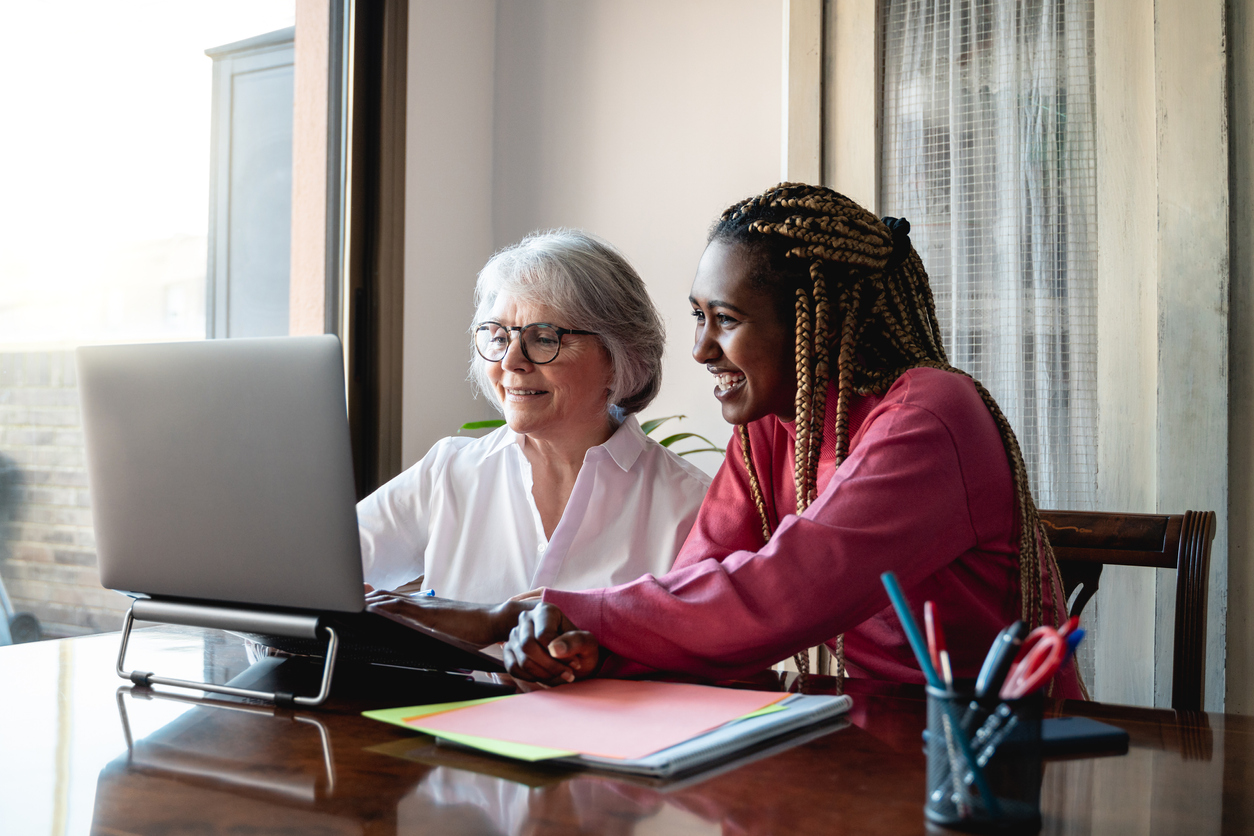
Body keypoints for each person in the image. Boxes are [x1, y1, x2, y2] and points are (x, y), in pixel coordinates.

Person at [500, 184, 1082, 698]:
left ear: (813, 325)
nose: (701, 349)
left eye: (725, 319)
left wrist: (524, 613)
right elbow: (702, 583)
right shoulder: (774, 424)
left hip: (998, 746)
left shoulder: (932, 414)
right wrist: (590, 647)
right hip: (875, 732)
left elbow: (784, 595)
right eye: (698, 316)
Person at [358, 230, 710, 641]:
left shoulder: (689, 505)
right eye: (498, 335)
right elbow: (317, 577)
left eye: (544, 339)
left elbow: (698, 662)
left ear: (620, 356)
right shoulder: (448, 472)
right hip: (453, 708)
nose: (511, 360)